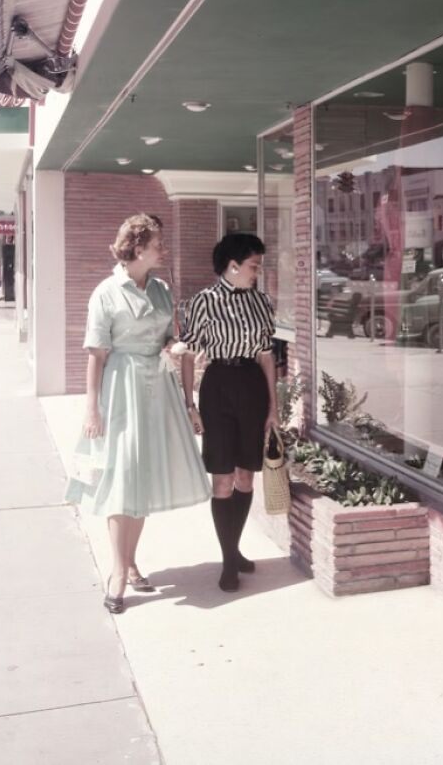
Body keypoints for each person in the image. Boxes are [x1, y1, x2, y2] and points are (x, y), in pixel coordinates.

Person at [65, 214, 211, 614]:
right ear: (138, 247)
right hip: (121, 388)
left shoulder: (162, 290)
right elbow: (96, 355)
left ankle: (130, 563)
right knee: (121, 478)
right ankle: (116, 571)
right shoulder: (107, 292)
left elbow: (170, 340)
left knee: (142, 478)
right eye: (159, 243)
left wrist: (185, 388)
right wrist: (91, 409)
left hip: (158, 389)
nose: (164, 249)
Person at [180, 233, 278, 592]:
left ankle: (234, 549)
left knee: (246, 477)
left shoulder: (262, 302)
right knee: (221, 478)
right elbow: (188, 354)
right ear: (233, 265)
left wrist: (274, 408)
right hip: (218, 386)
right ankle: (228, 561)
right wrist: (190, 405)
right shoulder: (202, 302)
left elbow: (267, 356)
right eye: (254, 265)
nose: (258, 272)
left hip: (251, 384)